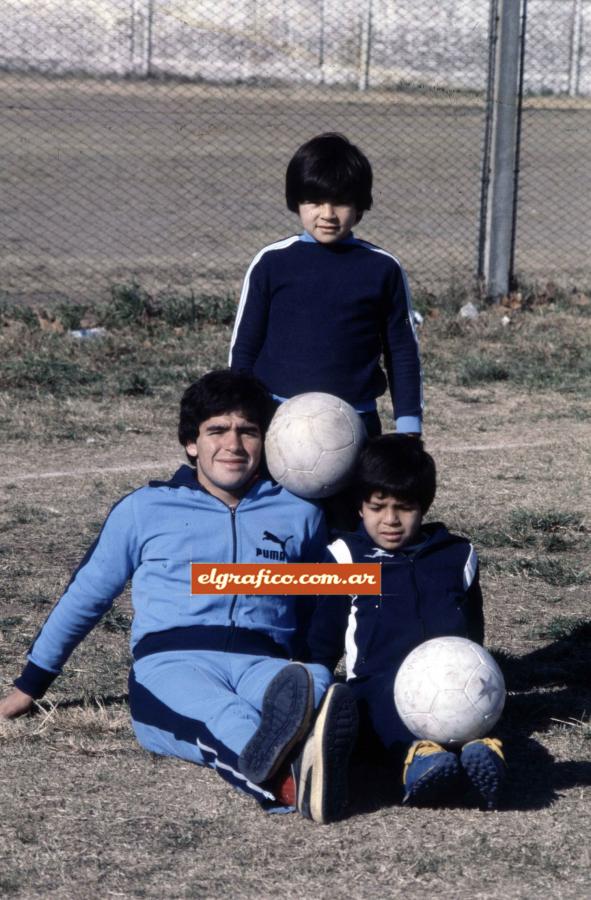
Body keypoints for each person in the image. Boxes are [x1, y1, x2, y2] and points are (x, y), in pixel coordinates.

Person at [0, 370, 358, 824]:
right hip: (172, 665)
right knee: (226, 717)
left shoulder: (299, 513)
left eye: (248, 431)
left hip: (264, 662)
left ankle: (311, 744)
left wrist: (316, 662)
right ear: (191, 443)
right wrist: (29, 687)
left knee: (313, 688)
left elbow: (323, 598)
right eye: (217, 430)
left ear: (267, 442)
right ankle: (292, 785)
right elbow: (85, 597)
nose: (234, 444)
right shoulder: (144, 509)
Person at [306, 434, 506, 810]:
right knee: (380, 710)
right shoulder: (346, 558)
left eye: (405, 507)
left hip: (449, 680)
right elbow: (323, 639)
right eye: (378, 506)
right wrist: (312, 694)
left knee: (472, 700)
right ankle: (420, 761)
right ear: (360, 507)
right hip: (377, 685)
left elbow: (473, 635)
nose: (391, 520)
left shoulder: (456, 555)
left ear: (424, 507)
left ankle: (484, 755)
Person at [228, 132, 422, 439]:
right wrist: (239, 411)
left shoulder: (382, 268)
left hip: (355, 420)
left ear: (360, 206)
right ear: (296, 203)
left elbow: (402, 351)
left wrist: (409, 428)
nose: (327, 214)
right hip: (275, 417)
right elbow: (245, 346)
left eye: (341, 202)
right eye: (315, 201)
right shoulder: (272, 262)